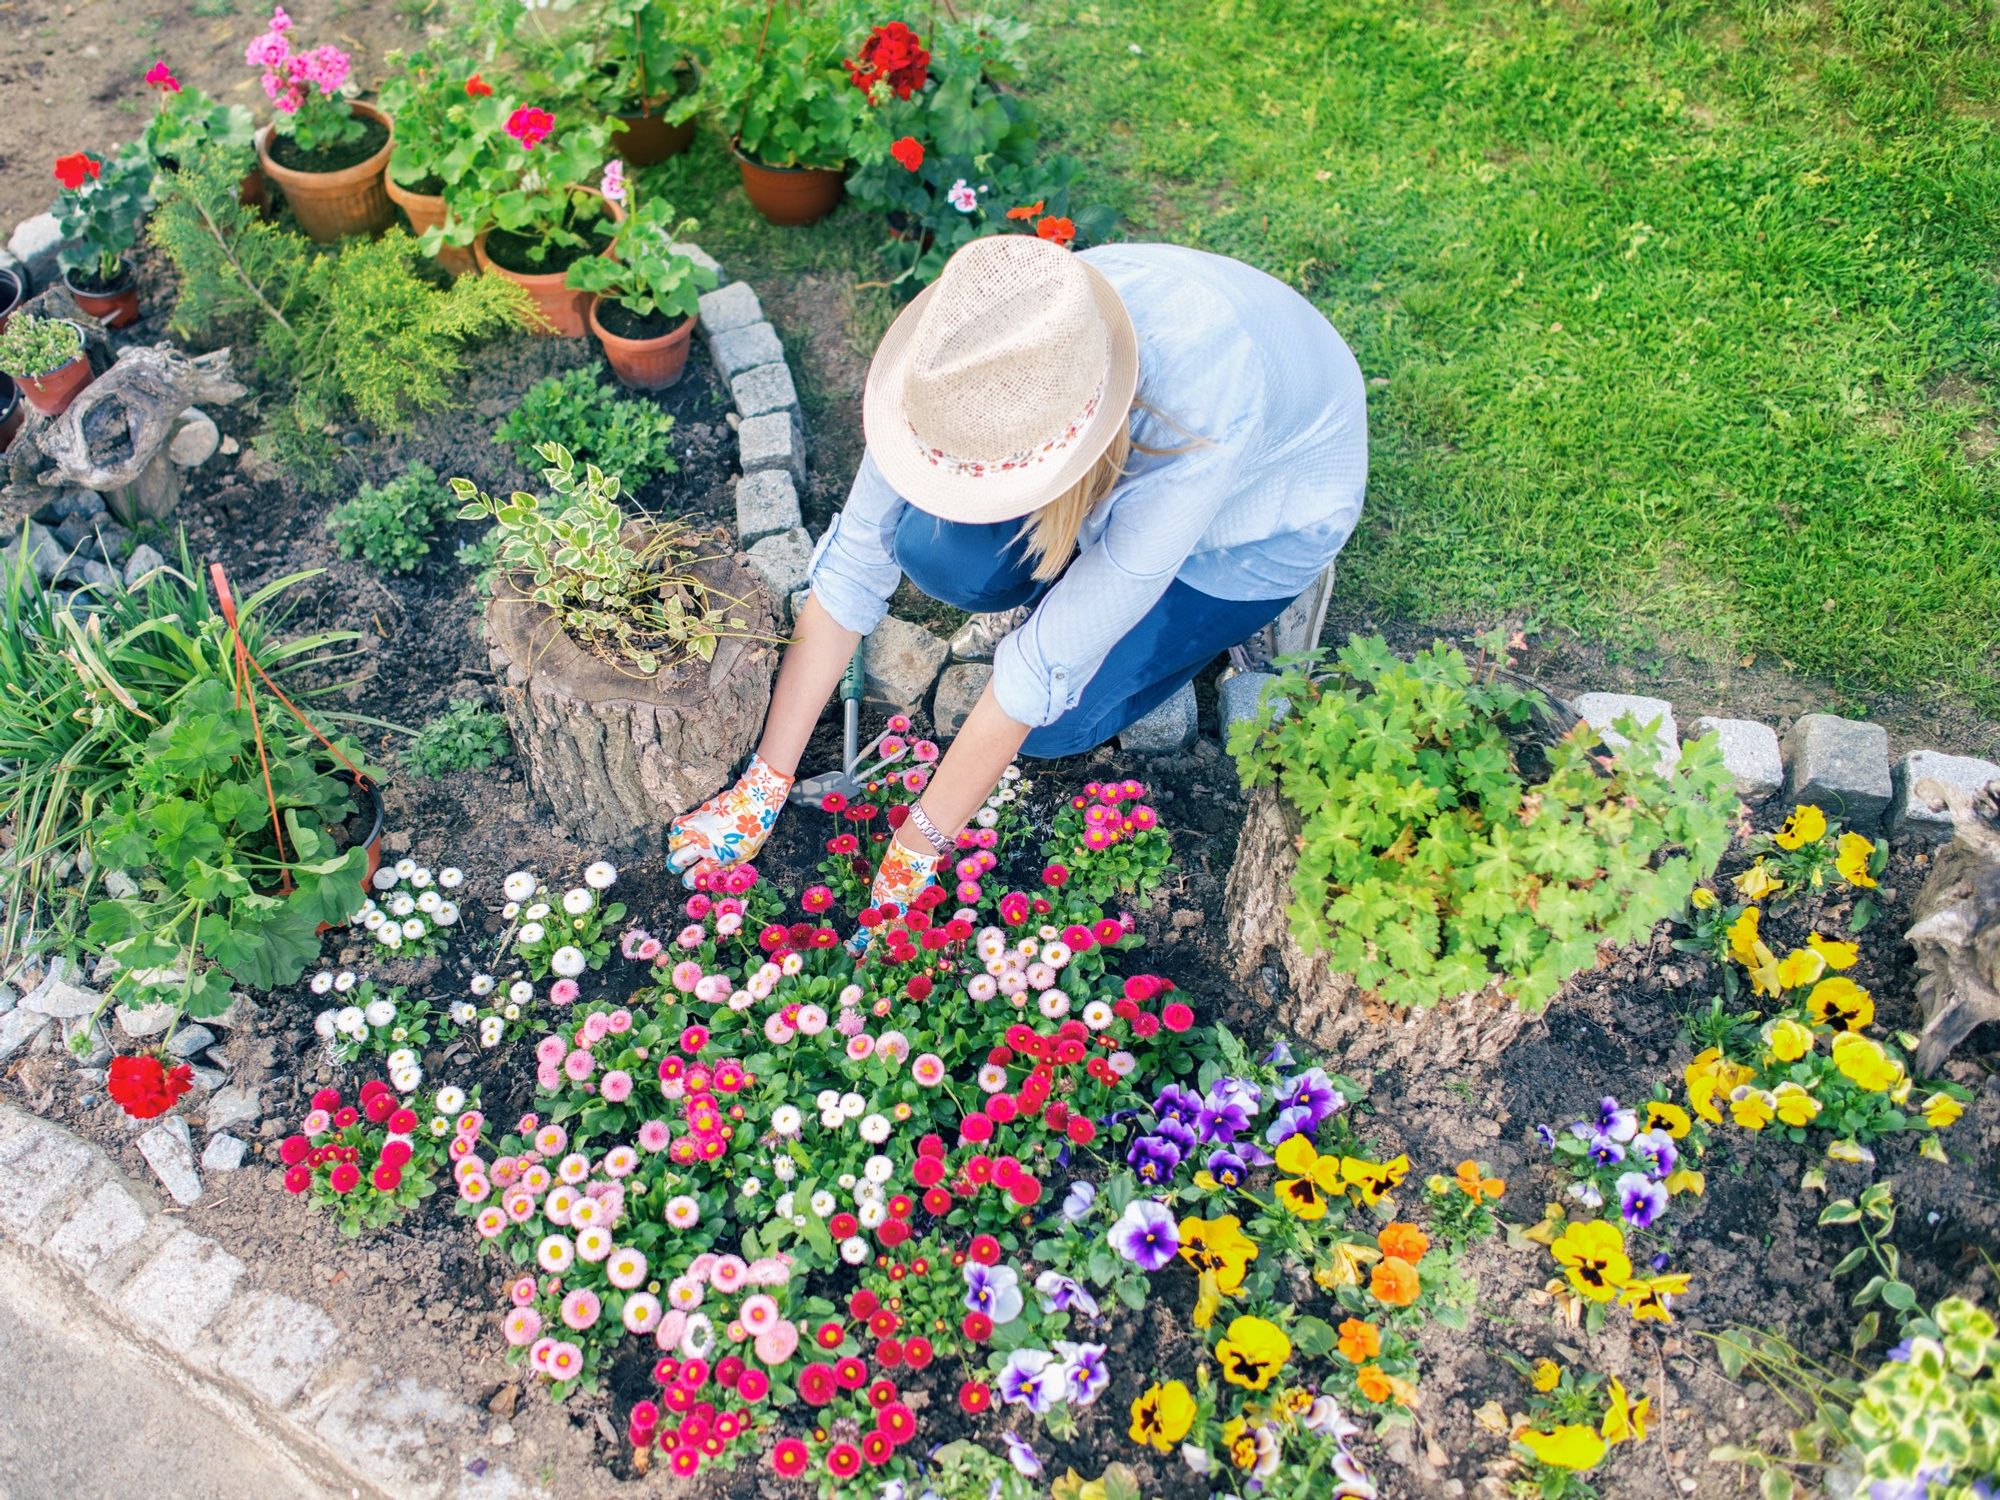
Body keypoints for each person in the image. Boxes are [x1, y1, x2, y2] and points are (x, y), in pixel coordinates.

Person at [667, 234, 1368, 910]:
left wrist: (914, 853)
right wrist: (764, 783)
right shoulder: (974, 352)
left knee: (1054, 729)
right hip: (1098, 463)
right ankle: (1076, 574)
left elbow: (1036, 673)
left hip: (1249, 531)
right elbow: (854, 565)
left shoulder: (1194, 425)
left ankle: (1226, 630)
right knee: (938, 553)